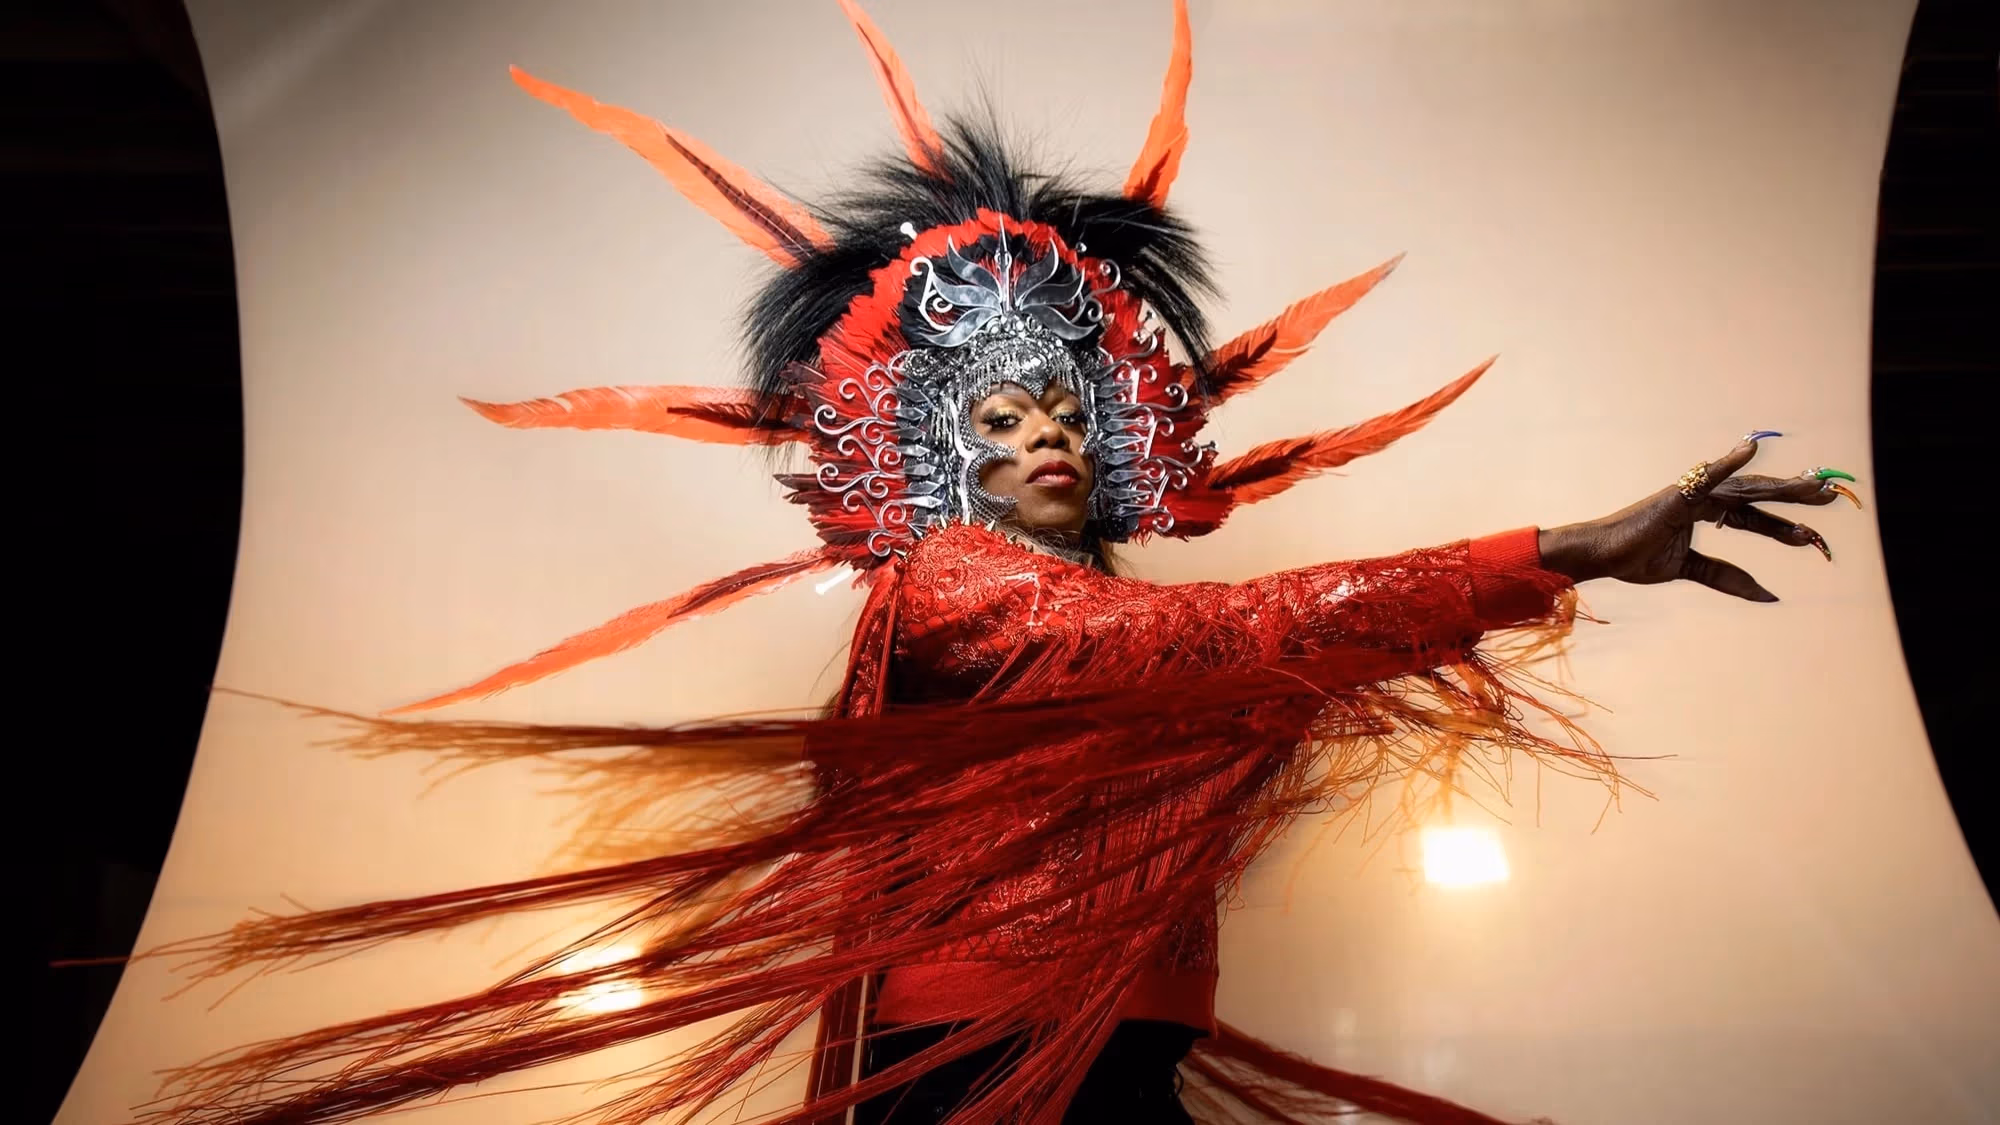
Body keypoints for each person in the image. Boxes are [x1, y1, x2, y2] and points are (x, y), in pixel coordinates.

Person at [143, 3, 1861, 1123]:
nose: (1033, 440)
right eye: (989, 425)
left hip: (1119, 1029)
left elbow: (1243, 651)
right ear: (930, 464)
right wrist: (1556, 548)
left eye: (1057, 413)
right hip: (984, 1054)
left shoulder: (1108, 602)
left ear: (1105, 436)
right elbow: (1220, 641)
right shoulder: (954, 585)